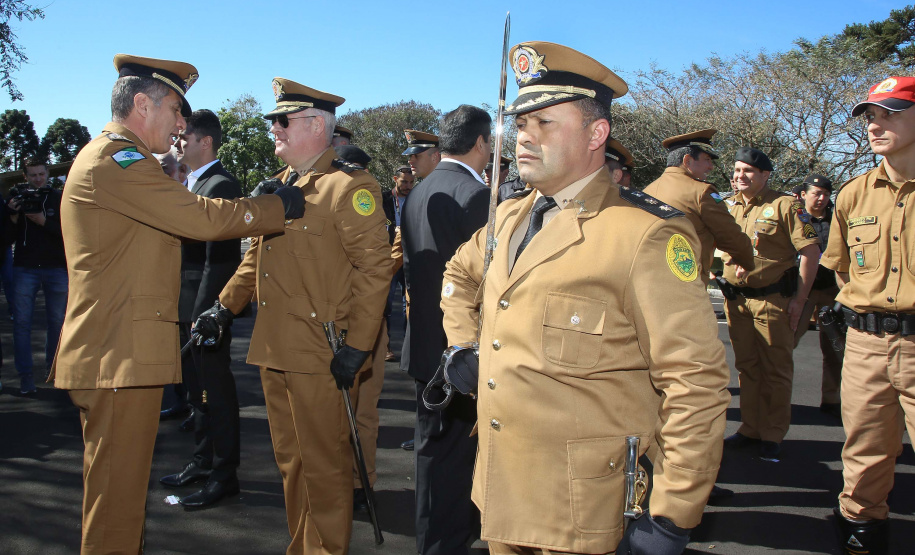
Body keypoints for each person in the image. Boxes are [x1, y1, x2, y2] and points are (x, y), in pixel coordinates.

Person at [440, 41, 730, 555]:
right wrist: (463, 345)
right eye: (520, 123)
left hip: (586, 514)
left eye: (544, 123)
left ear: (597, 133)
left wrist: (671, 516)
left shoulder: (646, 235)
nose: (524, 136)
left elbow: (695, 383)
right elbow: (459, 277)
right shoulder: (507, 217)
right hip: (501, 493)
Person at [53, 54, 300, 555]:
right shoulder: (115, 160)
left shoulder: (123, 161)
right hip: (115, 356)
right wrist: (275, 207)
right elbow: (200, 218)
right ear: (141, 104)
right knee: (115, 503)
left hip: (119, 351)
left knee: (118, 497)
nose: (182, 124)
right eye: (175, 109)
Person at [212, 77, 392, 555]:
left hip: (321, 352)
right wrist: (223, 307)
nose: (273, 128)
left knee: (325, 466)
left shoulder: (349, 189)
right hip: (275, 347)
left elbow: (375, 270)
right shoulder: (285, 188)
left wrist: (359, 345)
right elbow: (255, 259)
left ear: (316, 125)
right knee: (291, 464)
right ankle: (303, 547)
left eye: (282, 121)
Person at [821, 76, 915, 554]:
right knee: (864, 449)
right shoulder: (854, 193)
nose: (876, 125)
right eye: (871, 116)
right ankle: (862, 529)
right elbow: (841, 271)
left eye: (891, 113)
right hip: (866, 343)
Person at [400, 104, 491, 554]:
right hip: (459, 354)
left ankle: (432, 541)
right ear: (481, 143)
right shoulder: (474, 197)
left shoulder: (420, 190)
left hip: (424, 347)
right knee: (454, 461)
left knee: (432, 454)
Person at [158, 109, 246, 508]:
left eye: (185, 138)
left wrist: (205, 313)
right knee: (197, 395)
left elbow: (220, 260)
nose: (178, 142)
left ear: (205, 142)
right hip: (185, 306)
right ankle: (202, 460)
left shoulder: (221, 185)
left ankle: (224, 474)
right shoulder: (194, 182)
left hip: (204, 311)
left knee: (216, 394)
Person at [720, 147, 820, 460]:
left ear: (765, 175)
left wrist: (800, 301)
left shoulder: (786, 205)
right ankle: (750, 427)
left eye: (748, 171)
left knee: (776, 370)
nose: (740, 176)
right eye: (737, 171)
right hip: (736, 302)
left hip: (773, 301)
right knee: (747, 368)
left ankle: (773, 432)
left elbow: (811, 252)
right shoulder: (728, 206)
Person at [643, 129, 755, 284]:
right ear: (687, 160)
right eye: (707, 159)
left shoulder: (646, 192)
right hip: (686, 284)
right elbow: (730, 236)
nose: (710, 167)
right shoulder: (702, 192)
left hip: (647, 281)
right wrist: (749, 262)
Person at [7, 158, 68, 395]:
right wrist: (12, 216)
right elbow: (8, 238)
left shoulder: (58, 197)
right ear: (25, 177)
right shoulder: (18, 199)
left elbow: (68, 231)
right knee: (22, 324)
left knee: (57, 323)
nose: (37, 179)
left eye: (41, 174)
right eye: (32, 175)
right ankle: (25, 376)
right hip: (25, 267)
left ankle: (53, 371)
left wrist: (44, 222)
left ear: (48, 173)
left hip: (55, 266)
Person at [792, 173, 843, 419]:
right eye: (816, 193)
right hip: (803, 289)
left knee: (834, 347)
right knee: (788, 340)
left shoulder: (837, 219)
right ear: (803, 195)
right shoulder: (797, 218)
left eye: (825, 194)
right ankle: (776, 397)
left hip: (832, 290)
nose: (821, 198)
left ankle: (831, 400)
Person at [382, 165, 414, 361]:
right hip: (388, 256)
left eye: (411, 182)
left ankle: (408, 349)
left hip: (410, 256)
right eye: (404, 182)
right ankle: (384, 347)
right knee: (385, 302)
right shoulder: (382, 198)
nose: (408, 186)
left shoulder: (416, 197)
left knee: (407, 303)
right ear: (395, 179)